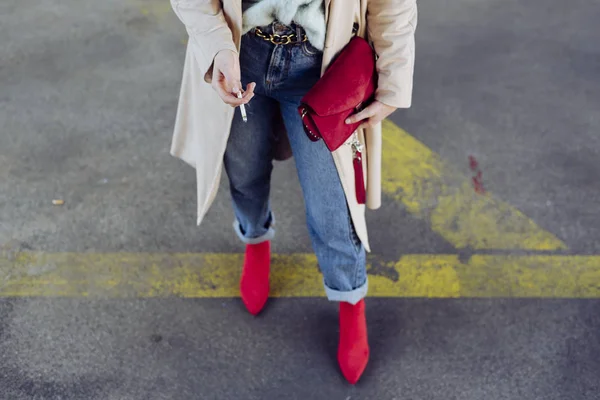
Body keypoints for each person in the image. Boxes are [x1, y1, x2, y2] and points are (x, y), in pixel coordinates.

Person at [169, 0, 417, 384]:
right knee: (244, 172)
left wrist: (394, 78)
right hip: (240, 50)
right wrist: (216, 46)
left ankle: (350, 299)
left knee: (333, 205)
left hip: (321, 66)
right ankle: (256, 241)